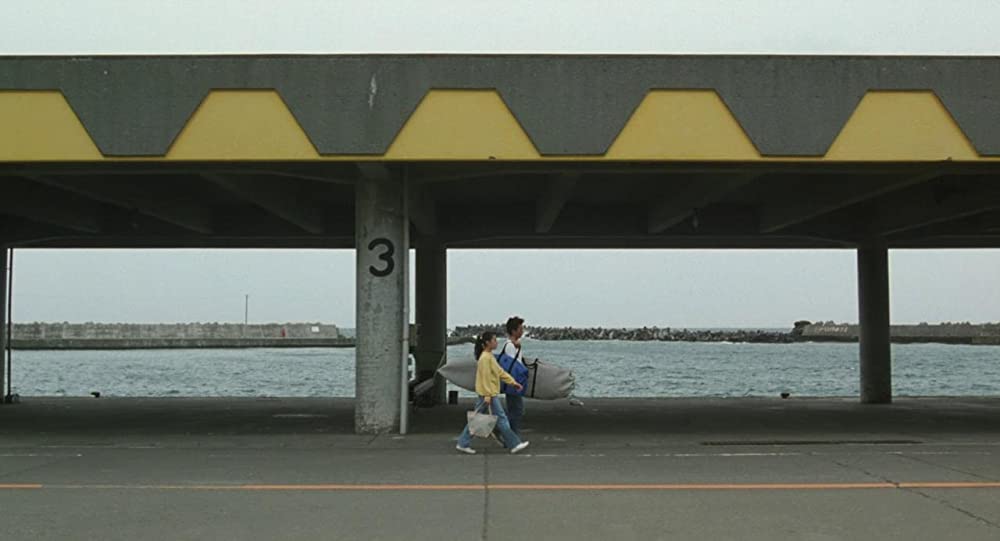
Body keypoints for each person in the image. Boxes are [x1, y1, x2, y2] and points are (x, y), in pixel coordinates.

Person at [456, 331, 531, 455]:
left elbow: (500, 372)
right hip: (489, 394)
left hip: (488, 393)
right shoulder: (485, 358)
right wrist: (487, 395)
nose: (496, 342)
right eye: (494, 340)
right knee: (501, 419)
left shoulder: (489, 356)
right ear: (487, 343)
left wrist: (513, 382)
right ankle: (514, 444)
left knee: (478, 419)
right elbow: (485, 378)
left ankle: (463, 443)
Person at [500, 316, 530, 436]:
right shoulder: (510, 346)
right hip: (513, 383)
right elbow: (512, 366)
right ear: (513, 331)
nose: (522, 331)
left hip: (514, 383)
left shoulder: (514, 345)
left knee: (514, 410)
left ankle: (510, 436)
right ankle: (511, 437)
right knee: (516, 410)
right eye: (520, 329)